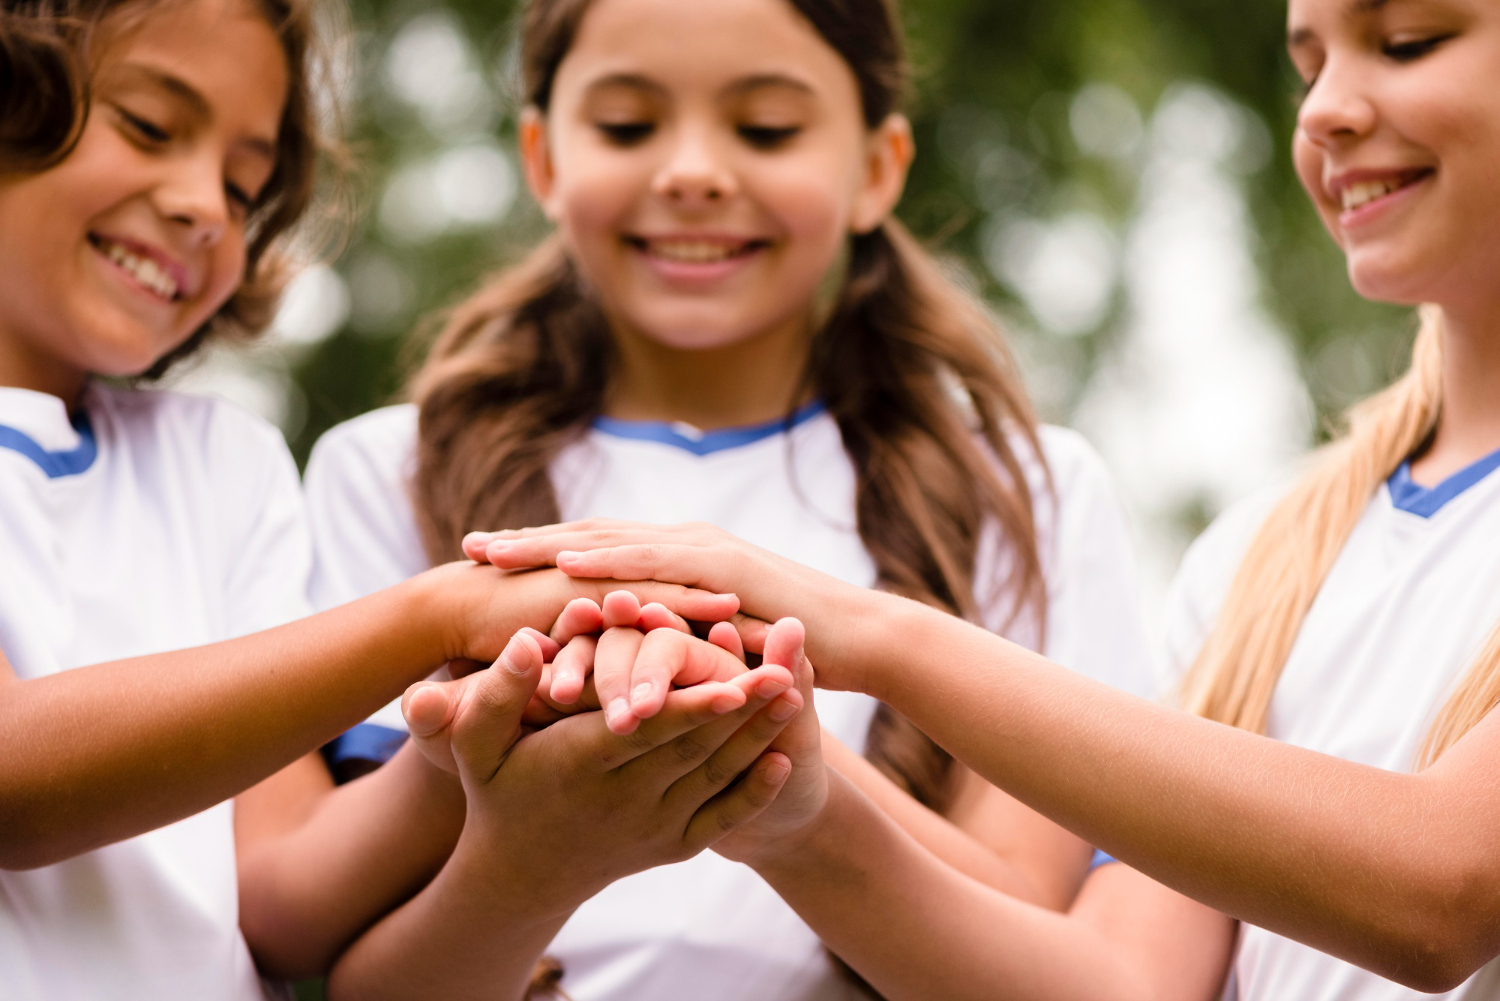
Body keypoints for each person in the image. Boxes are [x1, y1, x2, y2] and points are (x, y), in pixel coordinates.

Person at [476, 0, 1500, 993]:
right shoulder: (1259, 560)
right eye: (1309, 65)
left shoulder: (1072, 510)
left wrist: (871, 633)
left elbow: (1439, 892)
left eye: (1408, 42)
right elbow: (1124, 987)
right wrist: (787, 796)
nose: (1323, 110)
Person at [303, 0, 1156, 996]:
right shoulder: (389, 469)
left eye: (767, 128)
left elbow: (1033, 925)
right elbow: (334, 952)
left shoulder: (1028, 493)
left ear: (878, 167)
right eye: (627, 124)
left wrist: (748, 725)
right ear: (542, 157)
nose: (693, 172)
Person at [0, 0, 774, 996]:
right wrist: (436, 613)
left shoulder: (222, 464)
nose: (204, 206)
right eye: (149, 125)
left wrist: (475, 728)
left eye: (243, 186)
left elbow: (280, 906)